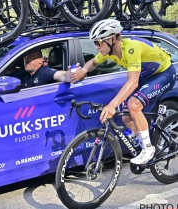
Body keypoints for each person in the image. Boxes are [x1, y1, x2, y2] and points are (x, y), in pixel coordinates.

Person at [71, 19, 176, 165]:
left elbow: (132, 82)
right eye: (95, 43)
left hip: (164, 74)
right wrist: (83, 70)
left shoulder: (131, 48)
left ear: (112, 39)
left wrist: (112, 105)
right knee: (127, 117)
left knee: (133, 105)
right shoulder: (109, 52)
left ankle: (148, 149)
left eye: (98, 42)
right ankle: (144, 141)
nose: (96, 47)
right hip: (146, 76)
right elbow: (93, 62)